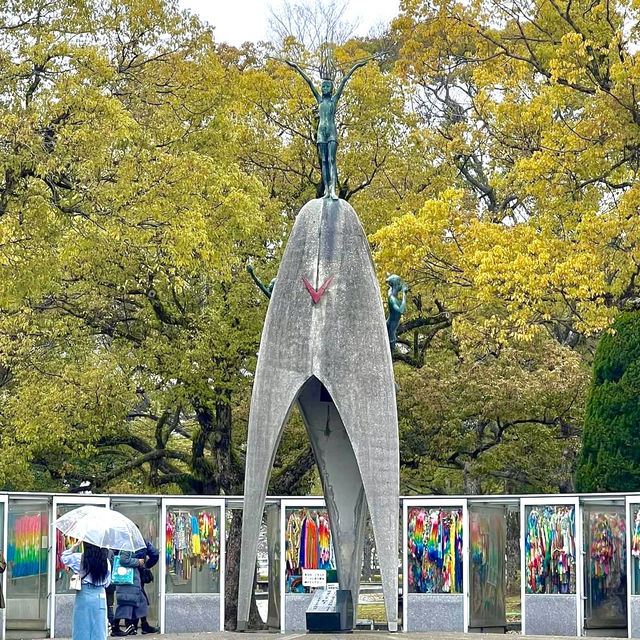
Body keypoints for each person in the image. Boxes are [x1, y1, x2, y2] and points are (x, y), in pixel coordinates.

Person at [284, 58, 370, 200]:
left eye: (327, 87)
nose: (324, 89)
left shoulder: (333, 100)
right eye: (323, 87)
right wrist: (296, 67)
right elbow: (309, 82)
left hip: (331, 131)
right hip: (321, 133)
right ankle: (326, 192)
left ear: (331, 89)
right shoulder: (319, 100)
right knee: (323, 161)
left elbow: (344, 81)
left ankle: (333, 190)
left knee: (331, 159)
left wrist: (356, 66)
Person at [61, 541, 111, 640]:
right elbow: (107, 583)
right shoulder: (106, 562)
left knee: (81, 627)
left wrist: (75, 546)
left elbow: (64, 557)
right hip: (100, 596)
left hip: (84, 595)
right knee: (99, 628)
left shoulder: (79, 558)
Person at [112, 539, 159, 636]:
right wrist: (138, 562)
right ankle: (116, 627)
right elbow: (123, 560)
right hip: (128, 579)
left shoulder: (128, 543)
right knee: (127, 603)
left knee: (141, 601)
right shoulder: (127, 544)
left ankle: (141, 625)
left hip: (133, 578)